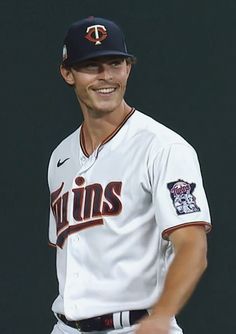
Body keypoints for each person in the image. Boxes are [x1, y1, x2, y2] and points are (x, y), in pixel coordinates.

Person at [48, 16, 211, 334]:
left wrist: (162, 316)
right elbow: (72, 252)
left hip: (136, 326)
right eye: (91, 66)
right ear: (68, 73)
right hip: (65, 327)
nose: (105, 76)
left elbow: (192, 246)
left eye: (115, 63)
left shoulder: (164, 147)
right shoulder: (60, 157)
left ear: (128, 68)